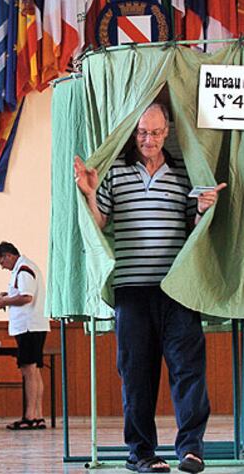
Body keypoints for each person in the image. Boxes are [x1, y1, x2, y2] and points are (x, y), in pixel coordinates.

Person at [74, 103, 226, 474]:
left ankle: (191, 450)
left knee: (189, 372)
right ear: (133, 133)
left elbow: (195, 230)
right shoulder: (116, 174)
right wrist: (90, 194)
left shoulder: (183, 175)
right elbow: (100, 222)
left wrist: (205, 208)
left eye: (156, 132)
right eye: (142, 132)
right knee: (137, 375)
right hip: (132, 291)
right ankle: (141, 454)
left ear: (168, 131)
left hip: (177, 289)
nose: (149, 139)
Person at [0, 242, 50, 430]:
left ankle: (30, 416)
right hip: (34, 326)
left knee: (29, 371)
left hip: (28, 327)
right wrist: (7, 296)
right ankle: (38, 415)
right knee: (35, 371)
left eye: (0, 260)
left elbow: (26, 297)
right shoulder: (25, 267)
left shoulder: (23, 269)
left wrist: (4, 301)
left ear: (8, 255)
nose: (1, 266)